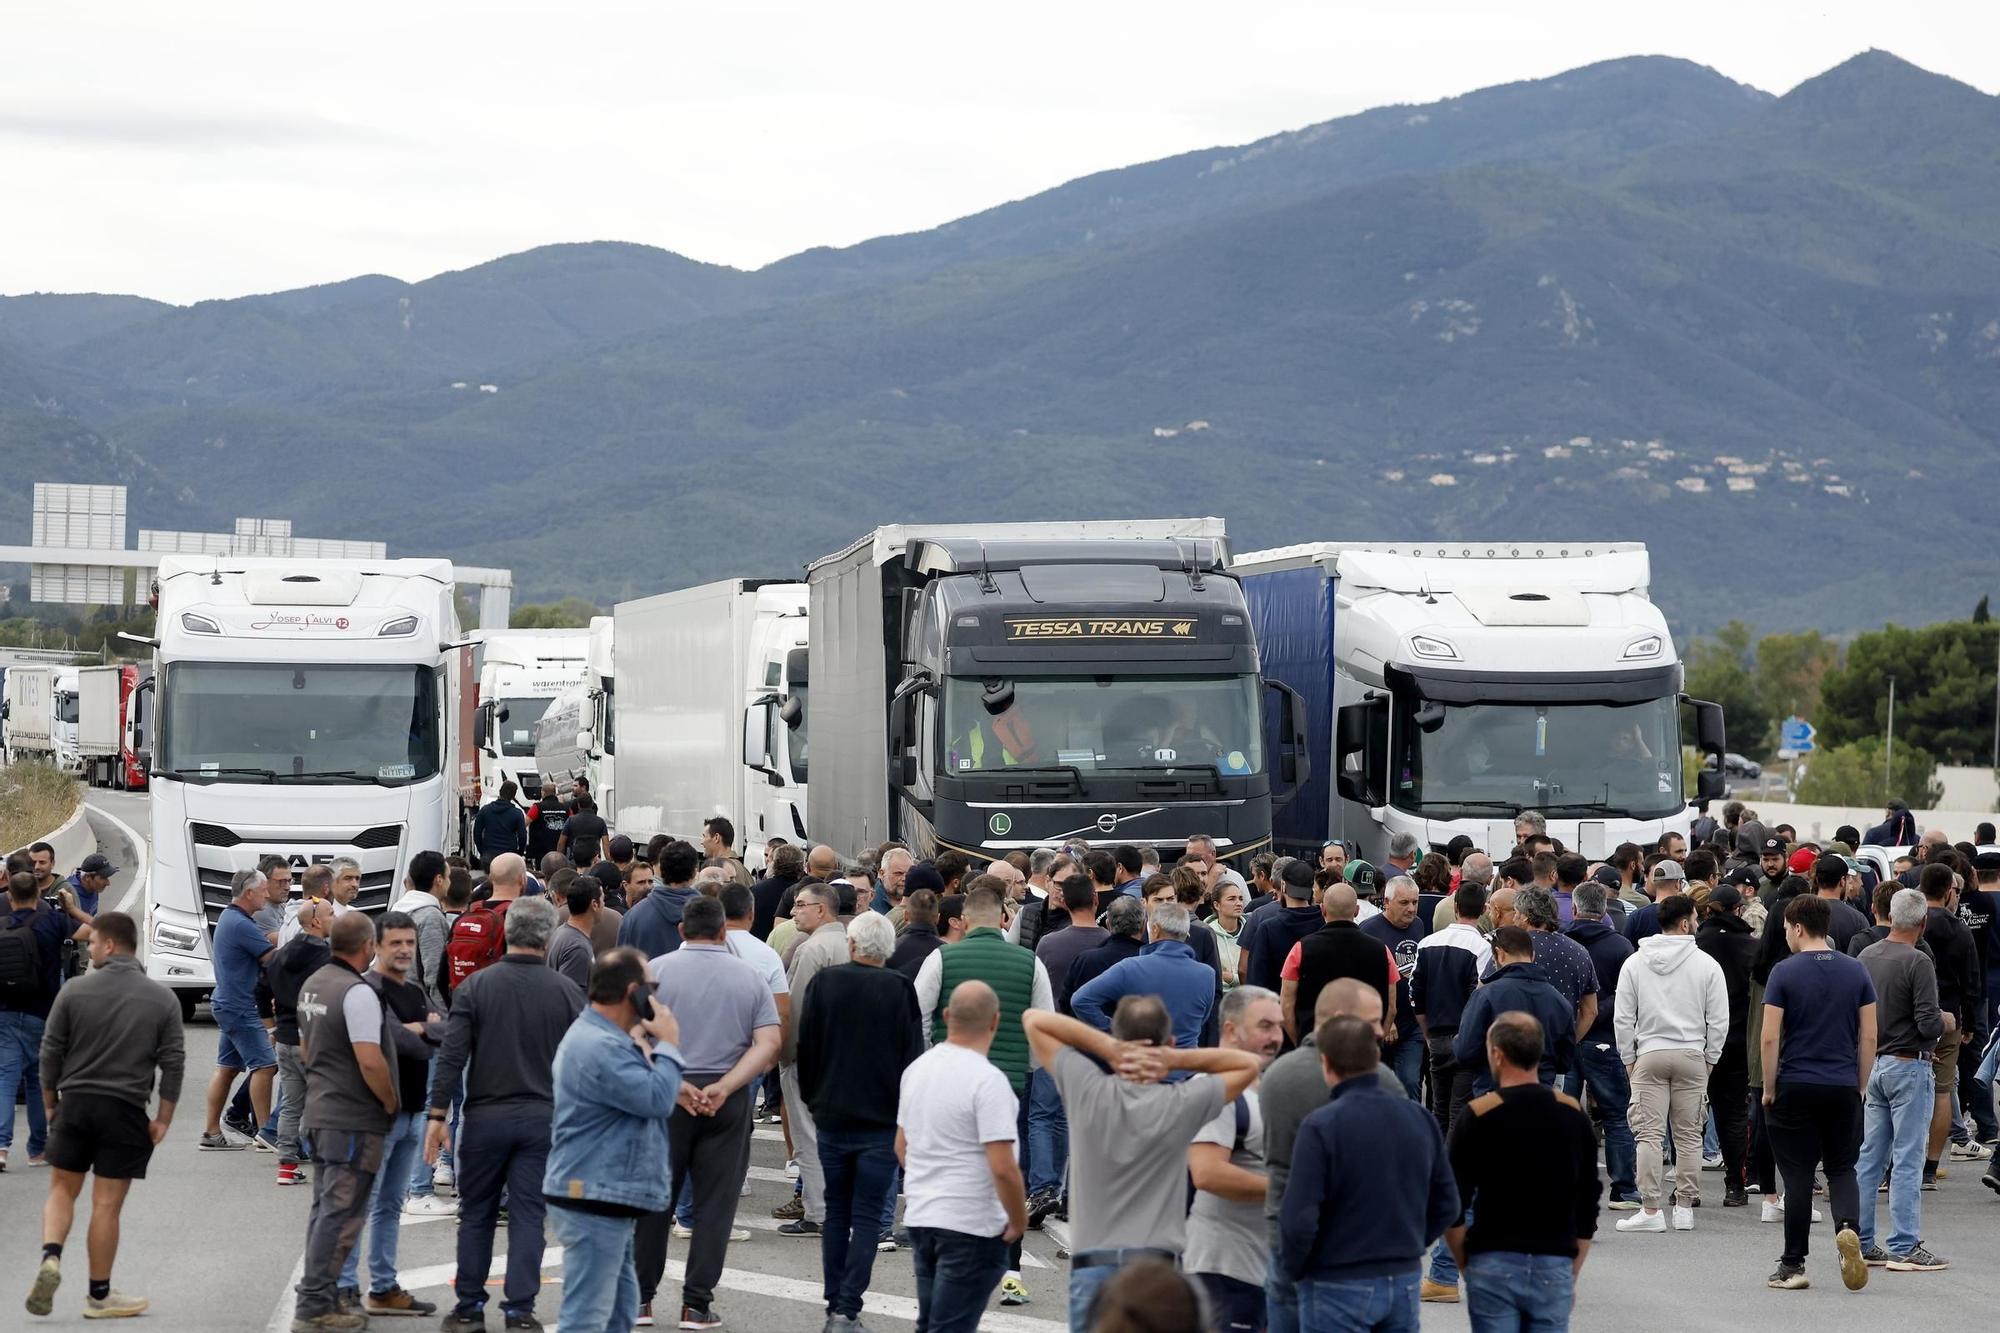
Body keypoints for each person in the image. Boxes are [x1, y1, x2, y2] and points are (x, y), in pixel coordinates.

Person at [1023, 1002, 1258, 1332]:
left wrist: (1109, 1048)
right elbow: (1248, 1065)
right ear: (1170, 1043)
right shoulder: (1181, 1102)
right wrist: (1173, 1060)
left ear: (1117, 1036)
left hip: (1093, 1267)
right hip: (1157, 1275)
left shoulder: (1087, 1088)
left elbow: (1034, 1021)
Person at [426, 895, 583, 1332]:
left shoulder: (477, 988)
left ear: (506, 933)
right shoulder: (567, 992)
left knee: (476, 1213)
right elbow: (584, 1061)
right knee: (529, 1215)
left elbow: (452, 1056)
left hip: (484, 1117)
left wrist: (438, 1115)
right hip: (544, 1118)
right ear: (549, 937)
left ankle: (469, 1308)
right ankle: (520, 1311)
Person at [24, 911, 180, 1321]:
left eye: (92, 942)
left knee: (62, 1189)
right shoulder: (161, 998)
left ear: (110, 945)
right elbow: (174, 1063)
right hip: (125, 1110)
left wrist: (51, 1103)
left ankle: (51, 1257)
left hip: (75, 1103)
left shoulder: (73, 991)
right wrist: (163, 1117)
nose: (88, 948)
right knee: (106, 1206)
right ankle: (99, 1296)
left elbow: (50, 1052)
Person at [637, 896, 781, 1328]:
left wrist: (675, 1082)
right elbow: (769, 1043)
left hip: (668, 1093)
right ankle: (696, 1304)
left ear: (682, 931)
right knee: (715, 1204)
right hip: (727, 1095)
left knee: (655, 1202)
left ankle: (640, 1300)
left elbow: (634, 1037)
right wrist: (727, 1085)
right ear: (724, 931)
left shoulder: (656, 973)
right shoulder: (750, 977)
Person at [913, 881, 1053, 1305]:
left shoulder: (941, 957)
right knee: (1004, 1169)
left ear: (966, 920)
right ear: (1004, 920)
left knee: (950, 1168)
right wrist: (1021, 1066)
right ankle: (1011, 1271)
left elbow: (917, 1012)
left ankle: (943, 1265)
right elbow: (1042, 1025)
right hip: (1006, 1083)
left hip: (949, 1082)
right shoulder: (1030, 963)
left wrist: (934, 1056)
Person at [1280, 1015, 1458, 1332]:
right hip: (1401, 1274)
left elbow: (1299, 1216)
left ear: (1326, 1063)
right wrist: (1413, 1242)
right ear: (1377, 1057)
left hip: (1337, 1274)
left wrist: (1295, 1268)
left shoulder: (1321, 1126)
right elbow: (1447, 1204)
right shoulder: (1419, 1118)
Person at [545, 948, 685, 1333]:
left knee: (620, 1311)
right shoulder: (599, 1045)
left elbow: (636, 1090)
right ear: (635, 992)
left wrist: (669, 1073)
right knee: (587, 1317)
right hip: (593, 1193)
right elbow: (655, 1099)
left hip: (604, 1191)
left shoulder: (606, 1037)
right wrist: (670, 1044)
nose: (657, 998)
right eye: (652, 989)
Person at [796, 912, 924, 1330]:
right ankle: (848, 1307)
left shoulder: (825, 983)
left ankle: (835, 1300)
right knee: (868, 1216)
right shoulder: (900, 988)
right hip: (882, 1119)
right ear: (886, 949)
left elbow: (807, 1046)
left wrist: (813, 1099)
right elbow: (911, 1058)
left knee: (837, 1210)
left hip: (832, 1113)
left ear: (852, 944)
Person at [1442, 1013, 1600, 1331]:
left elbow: (1452, 1202)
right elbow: (1587, 1203)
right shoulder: (1572, 1114)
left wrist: (1465, 1264)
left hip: (1493, 1257)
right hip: (1553, 1259)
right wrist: (1573, 1269)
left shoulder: (1478, 1114)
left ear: (1497, 1054)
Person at [1261, 980, 1406, 1326]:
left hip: (1286, 1238)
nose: (1380, 1029)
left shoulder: (1277, 1076)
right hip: (1358, 1249)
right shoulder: (1385, 1083)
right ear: (1342, 1018)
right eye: (1372, 1020)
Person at [897, 981, 1028, 1333]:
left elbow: (901, 1146)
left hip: (923, 1216)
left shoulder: (916, 1071)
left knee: (930, 1323)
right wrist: (1018, 1219)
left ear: (945, 1016)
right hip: (972, 1223)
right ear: (995, 1022)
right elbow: (1003, 1167)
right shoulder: (989, 1082)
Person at [290, 913, 399, 1332]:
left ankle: (319, 1293)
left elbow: (305, 1049)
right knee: (341, 1213)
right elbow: (370, 1060)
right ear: (368, 945)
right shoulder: (357, 993)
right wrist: (389, 1101)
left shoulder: (313, 985)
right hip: (352, 1118)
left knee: (324, 1210)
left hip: (320, 1110)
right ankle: (316, 1303)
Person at [1761, 894, 1875, 1293]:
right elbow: (1869, 1034)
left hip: (1795, 1081)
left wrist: (1770, 1086)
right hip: (1842, 1082)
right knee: (1842, 1168)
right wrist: (1860, 1084)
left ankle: (1793, 1264)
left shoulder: (1783, 972)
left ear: (1796, 928)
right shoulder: (1855, 971)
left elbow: (1771, 1036)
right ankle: (1847, 1227)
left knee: (1797, 1176)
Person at [331, 912, 441, 1317]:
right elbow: (401, 1042)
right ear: (375, 946)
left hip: (413, 1112)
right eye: (395, 943)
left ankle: (383, 1286)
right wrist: (423, 1031)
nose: (404, 951)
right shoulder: (369, 990)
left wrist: (424, 1029)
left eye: (409, 943)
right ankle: (344, 1288)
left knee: (391, 1205)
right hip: (380, 1114)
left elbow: (446, 1031)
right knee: (361, 1202)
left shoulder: (413, 990)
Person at [1612, 893, 1728, 1234]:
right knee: (1689, 1134)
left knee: (1648, 1134)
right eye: (1694, 918)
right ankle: (1685, 1206)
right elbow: (1718, 1018)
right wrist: (1711, 1058)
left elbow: (1623, 1017)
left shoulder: (1635, 962)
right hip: (1692, 1053)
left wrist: (1628, 1058)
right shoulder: (1706, 964)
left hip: (1649, 1052)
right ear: (1684, 922)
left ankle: (1650, 1208)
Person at [1853, 889, 1947, 1271]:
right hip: (1910, 1064)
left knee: (1870, 1157)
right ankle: (1904, 1244)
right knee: (1907, 1159)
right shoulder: (1918, 961)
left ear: (1889, 916)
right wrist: (1946, 1022)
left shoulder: (1865, 957)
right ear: (1922, 923)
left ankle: (1861, 1238)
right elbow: (1928, 1022)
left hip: (1874, 1063)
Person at [1187, 986, 1284, 1333]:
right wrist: (1290, 1189)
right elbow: (1207, 1173)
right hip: (1223, 1270)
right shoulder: (1218, 1086)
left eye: (1279, 1026)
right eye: (1264, 1026)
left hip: (1261, 1271)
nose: (1276, 1037)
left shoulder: (1264, 1088)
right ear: (1230, 1029)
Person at [775, 883, 853, 1238]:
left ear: (822, 910)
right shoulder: (850, 942)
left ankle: (818, 1211)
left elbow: (796, 1009)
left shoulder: (812, 948)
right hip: (843, 1056)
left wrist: (784, 1056)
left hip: (809, 1055)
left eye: (801, 905)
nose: (794, 912)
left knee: (808, 1135)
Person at [1, 868, 87, 1171]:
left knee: (5, 1079)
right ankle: (37, 1150)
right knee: (39, 1083)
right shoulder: (53, 920)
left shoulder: (2, 921)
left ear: (10, 895)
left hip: (5, 1010)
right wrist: (72, 909)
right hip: (43, 1012)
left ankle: (1, 1146)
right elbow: (99, 932)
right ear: (38, 894)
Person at [1561, 881, 1638, 1210]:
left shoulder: (1561, 942)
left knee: (1562, 1113)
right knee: (1616, 1115)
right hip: (1605, 1038)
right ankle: (1624, 1189)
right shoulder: (1620, 947)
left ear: (1574, 909)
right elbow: (1628, 996)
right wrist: (1594, 1016)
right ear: (1605, 910)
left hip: (1564, 1038)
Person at [1071, 902, 1214, 1051]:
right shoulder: (1207, 975)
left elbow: (1080, 1000)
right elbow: (1202, 1018)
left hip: (1143, 1061)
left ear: (1155, 929)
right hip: (1187, 1065)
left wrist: (1118, 1033)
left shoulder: (1130, 967)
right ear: (1186, 932)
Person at [201, 870, 276, 1150]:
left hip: (228, 1003)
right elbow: (272, 959)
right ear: (249, 893)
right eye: (264, 889)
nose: (267, 895)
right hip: (241, 1007)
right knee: (266, 1065)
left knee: (228, 1067)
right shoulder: (241, 924)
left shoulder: (231, 918)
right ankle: (267, 1133)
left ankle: (211, 1133)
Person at [1694, 886, 1759, 1206]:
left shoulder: (1694, 946)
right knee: (1733, 1114)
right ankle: (1735, 1184)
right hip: (1735, 1040)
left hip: (1693, 1037)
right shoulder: (1751, 947)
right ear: (1738, 911)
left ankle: (1685, 1187)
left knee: (1686, 1113)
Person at [1915, 863, 1979, 1189]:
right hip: (1949, 1017)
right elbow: (1971, 981)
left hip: (1912, 1017)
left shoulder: (1912, 924)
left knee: (1908, 1090)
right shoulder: (1960, 930)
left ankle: (1901, 1162)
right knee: (1942, 1090)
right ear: (1949, 891)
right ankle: (1930, 1167)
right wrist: (1969, 1024)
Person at [1413, 882, 1493, 1140]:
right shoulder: (1482, 947)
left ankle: (1436, 1167)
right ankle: (1453, 1172)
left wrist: (1427, 1033)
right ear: (1483, 910)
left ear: (1455, 907)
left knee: (1439, 1108)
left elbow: (1416, 994)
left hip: (1436, 1034)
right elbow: (1478, 997)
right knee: (1459, 1110)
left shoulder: (1426, 943)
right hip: (1466, 1037)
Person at [1453, 927, 1576, 1091]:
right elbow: (1565, 1062)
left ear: (1500, 954)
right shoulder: (1559, 1001)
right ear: (1532, 956)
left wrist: (1456, 1040)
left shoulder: (1485, 996)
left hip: (1495, 1096)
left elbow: (1465, 1052)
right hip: (1542, 1097)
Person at [267, 899, 334, 1187]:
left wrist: (271, 1028)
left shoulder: (281, 954)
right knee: (323, 1103)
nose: (335, 919)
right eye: (332, 914)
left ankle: (287, 1165)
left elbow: (259, 989)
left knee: (291, 1105)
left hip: (285, 1038)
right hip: (314, 1039)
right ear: (317, 922)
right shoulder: (327, 958)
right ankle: (323, 1161)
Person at [1277, 883, 1396, 1045]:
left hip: (1317, 1046)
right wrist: (1376, 1043)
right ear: (1356, 911)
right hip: (1363, 1045)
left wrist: (1300, 1042)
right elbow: (1391, 1008)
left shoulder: (1300, 949)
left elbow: (1286, 1005)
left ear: (1323, 910)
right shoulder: (1382, 950)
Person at [1360, 875, 1428, 1098]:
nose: (1411, 909)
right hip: (1379, 1025)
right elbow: (1364, 982)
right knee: (1378, 1086)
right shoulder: (1368, 931)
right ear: (1386, 902)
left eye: (1415, 902)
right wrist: (1386, 1018)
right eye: (1404, 903)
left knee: (1410, 1082)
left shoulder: (1418, 926)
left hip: (1412, 1025)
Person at [1240, 860, 1322, 994]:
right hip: (1318, 1011)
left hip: (1277, 1009)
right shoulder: (1324, 924)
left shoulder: (1268, 929)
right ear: (1312, 888)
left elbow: (1255, 981)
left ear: (1283, 886)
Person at [392, 851, 453, 1013]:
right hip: (421, 1009)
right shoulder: (430, 916)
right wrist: (444, 1020)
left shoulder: (397, 909)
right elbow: (434, 976)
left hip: (397, 1002)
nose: (449, 882)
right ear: (439, 880)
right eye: (448, 877)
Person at [619, 840, 700, 959]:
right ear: (694, 872)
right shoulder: (713, 914)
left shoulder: (633, 916)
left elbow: (620, 968)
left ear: (661, 870)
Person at [546, 873, 601, 991]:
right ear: (595, 905)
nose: (604, 905)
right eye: (603, 900)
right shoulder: (577, 948)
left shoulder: (562, 933)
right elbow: (572, 997)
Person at [472, 780, 529, 865]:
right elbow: (522, 836)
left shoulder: (485, 810)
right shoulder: (517, 813)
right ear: (513, 796)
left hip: (489, 854)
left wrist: (482, 851)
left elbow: (476, 832)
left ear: (500, 792)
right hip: (509, 855)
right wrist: (519, 853)